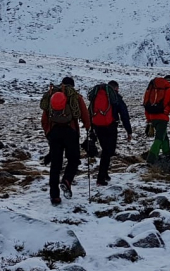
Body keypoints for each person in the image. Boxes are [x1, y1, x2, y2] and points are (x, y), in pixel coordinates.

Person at [41, 77, 91, 205]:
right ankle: (67, 180)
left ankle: (54, 196)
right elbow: (85, 115)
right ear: (72, 86)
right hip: (71, 131)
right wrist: (87, 126)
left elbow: (44, 118)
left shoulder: (51, 96)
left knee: (55, 165)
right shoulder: (75, 96)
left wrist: (48, 132)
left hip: (54, 132)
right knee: (73, 160)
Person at [88, 80, 133, 186]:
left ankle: (105, 173)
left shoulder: (96, 96)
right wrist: (129, 131)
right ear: (116, 88)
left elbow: (90, 111)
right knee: (108, 152)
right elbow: (124, 115)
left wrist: (91, 128)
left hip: (97, 126)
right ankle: (100, 178)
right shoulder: (116, 98)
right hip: (110, 127)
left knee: (105, 151)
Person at [144, 75, 170, 166]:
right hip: (162, 118)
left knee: (164, 136)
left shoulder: (152, 89)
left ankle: (167, 155)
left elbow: (146, 103)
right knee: (159, 138)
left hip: (152, 116)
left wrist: (148, 118)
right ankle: (150, 159)